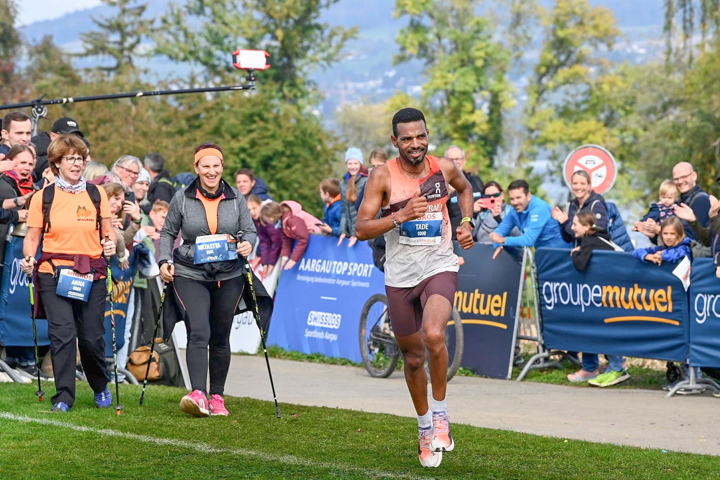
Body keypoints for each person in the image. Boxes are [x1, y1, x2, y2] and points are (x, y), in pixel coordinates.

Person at [355, 108, 475, 468]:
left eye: (420, 136)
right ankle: (424, 427)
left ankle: (441, 415)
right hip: (400, 277)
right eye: (406, 138)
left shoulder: (444, 168)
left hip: (438, 264)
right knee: (412, 358)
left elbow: (466, 189)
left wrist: (466, 222)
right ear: (395, 142)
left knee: (434, 335)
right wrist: (399, 216)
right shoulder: (382, 176)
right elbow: (361, 228)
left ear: (427, 135)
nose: (415, 144)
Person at [19, 134, 117, 412]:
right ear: (57, 163)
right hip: (53, 273)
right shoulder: (43, 196)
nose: (77, 164)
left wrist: (109, 243)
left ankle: (99, 385)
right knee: (62, 335)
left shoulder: (97, 194)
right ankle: (63, 397)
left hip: (91, 273)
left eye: (80, 158)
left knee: (90, 338)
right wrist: (28, 258)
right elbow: (32, 235)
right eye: (70, 158)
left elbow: (108, 231)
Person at [159, 143, 256, 417]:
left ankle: (217, 396)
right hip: (190, 272)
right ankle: (198, 393)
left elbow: (249, 231)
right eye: (206, 166)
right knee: (199, 330)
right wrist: (165, 260)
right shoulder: (182, 197)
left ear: (222, 167)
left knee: (221, 335)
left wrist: (247, 244)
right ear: (197, 168)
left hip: (229, 273)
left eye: (216, 166)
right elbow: (168, 233)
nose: (211, 171)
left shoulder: (236, 197)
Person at [566, 211, 629, 387]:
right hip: (616, 288)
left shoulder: (588, 241)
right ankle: (616, 363)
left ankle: (617, 366)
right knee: (604, 326)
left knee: (606, 327)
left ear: (586, 227)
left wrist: (575, 253)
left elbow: (580, 265)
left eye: (575, 224)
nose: (572, 227)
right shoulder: (601, 237)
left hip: (612, 291)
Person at [489, 180, 569, 259]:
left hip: (562, 253)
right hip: (543, 255)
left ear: (528, 196)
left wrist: (502, 240)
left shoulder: (539, 208)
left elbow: (529, 240)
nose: (515, 202)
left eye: (518, 197)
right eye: (512, 199)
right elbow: (499, 232)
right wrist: (498, 245)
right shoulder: (514, 211)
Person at [636, 162, 710, 243]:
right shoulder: (678, 202)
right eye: (676, 179)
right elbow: (671, 242)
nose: (680, 181)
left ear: (694, 176)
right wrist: (653, 234)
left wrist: (659, 229)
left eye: (684, 177)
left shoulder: (701, 200)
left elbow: (693, 238)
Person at [260, 200, 321, 271]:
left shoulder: (291, 219)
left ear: (271, 218)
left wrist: (293, 260)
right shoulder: (282, 222)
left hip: (319, 236)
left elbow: (303, 239)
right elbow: (286, 239)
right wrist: (284, 258)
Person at [551, 170, 608, 243]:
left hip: (592, 253)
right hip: (578, 253)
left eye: (582, 184)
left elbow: (598, 236)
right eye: (575, 183)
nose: (578, 187)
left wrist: (566, 222)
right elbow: (568, 239)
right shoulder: (571, 205)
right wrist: (562, 223)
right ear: (571, 185)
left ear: (589, 186)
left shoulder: (596, 205)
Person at [31, 117, 84, 182]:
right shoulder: (44, 160)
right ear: (53, 136)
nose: (71, 141)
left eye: (76, 137)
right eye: (65, 137)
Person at [339, 147, 368, 247]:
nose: (352, 166)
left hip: (362, 233)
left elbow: (361, 211)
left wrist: (355, 233)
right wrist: (343, 231)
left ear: (360, 164)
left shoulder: (366, 181)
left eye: (355, 163)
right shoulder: (343, 183)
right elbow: (344, 210)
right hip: (350, 234)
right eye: (350, 163)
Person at [248, 194, 282, 278]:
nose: (252, 212)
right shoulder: (257, 220)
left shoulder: (268, 218)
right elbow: (264, 241)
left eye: (254, 208)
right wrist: (264, 263)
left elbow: (277, 241)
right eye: (249, 210)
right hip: (275, 249)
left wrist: (271, 263)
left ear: (261, 205)